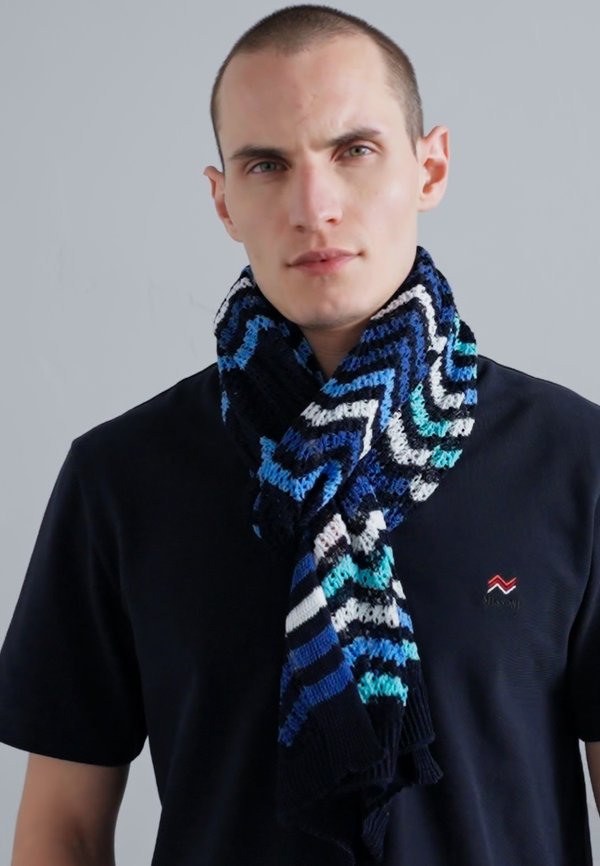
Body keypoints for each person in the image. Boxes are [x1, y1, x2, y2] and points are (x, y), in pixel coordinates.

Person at [1, 4, 599, 865]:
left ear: (429, 168)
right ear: (223, 200)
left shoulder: (574, 462)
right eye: (267, 164)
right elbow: (64, 826)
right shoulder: (121, 479)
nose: (314, 206)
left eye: (354, 151)